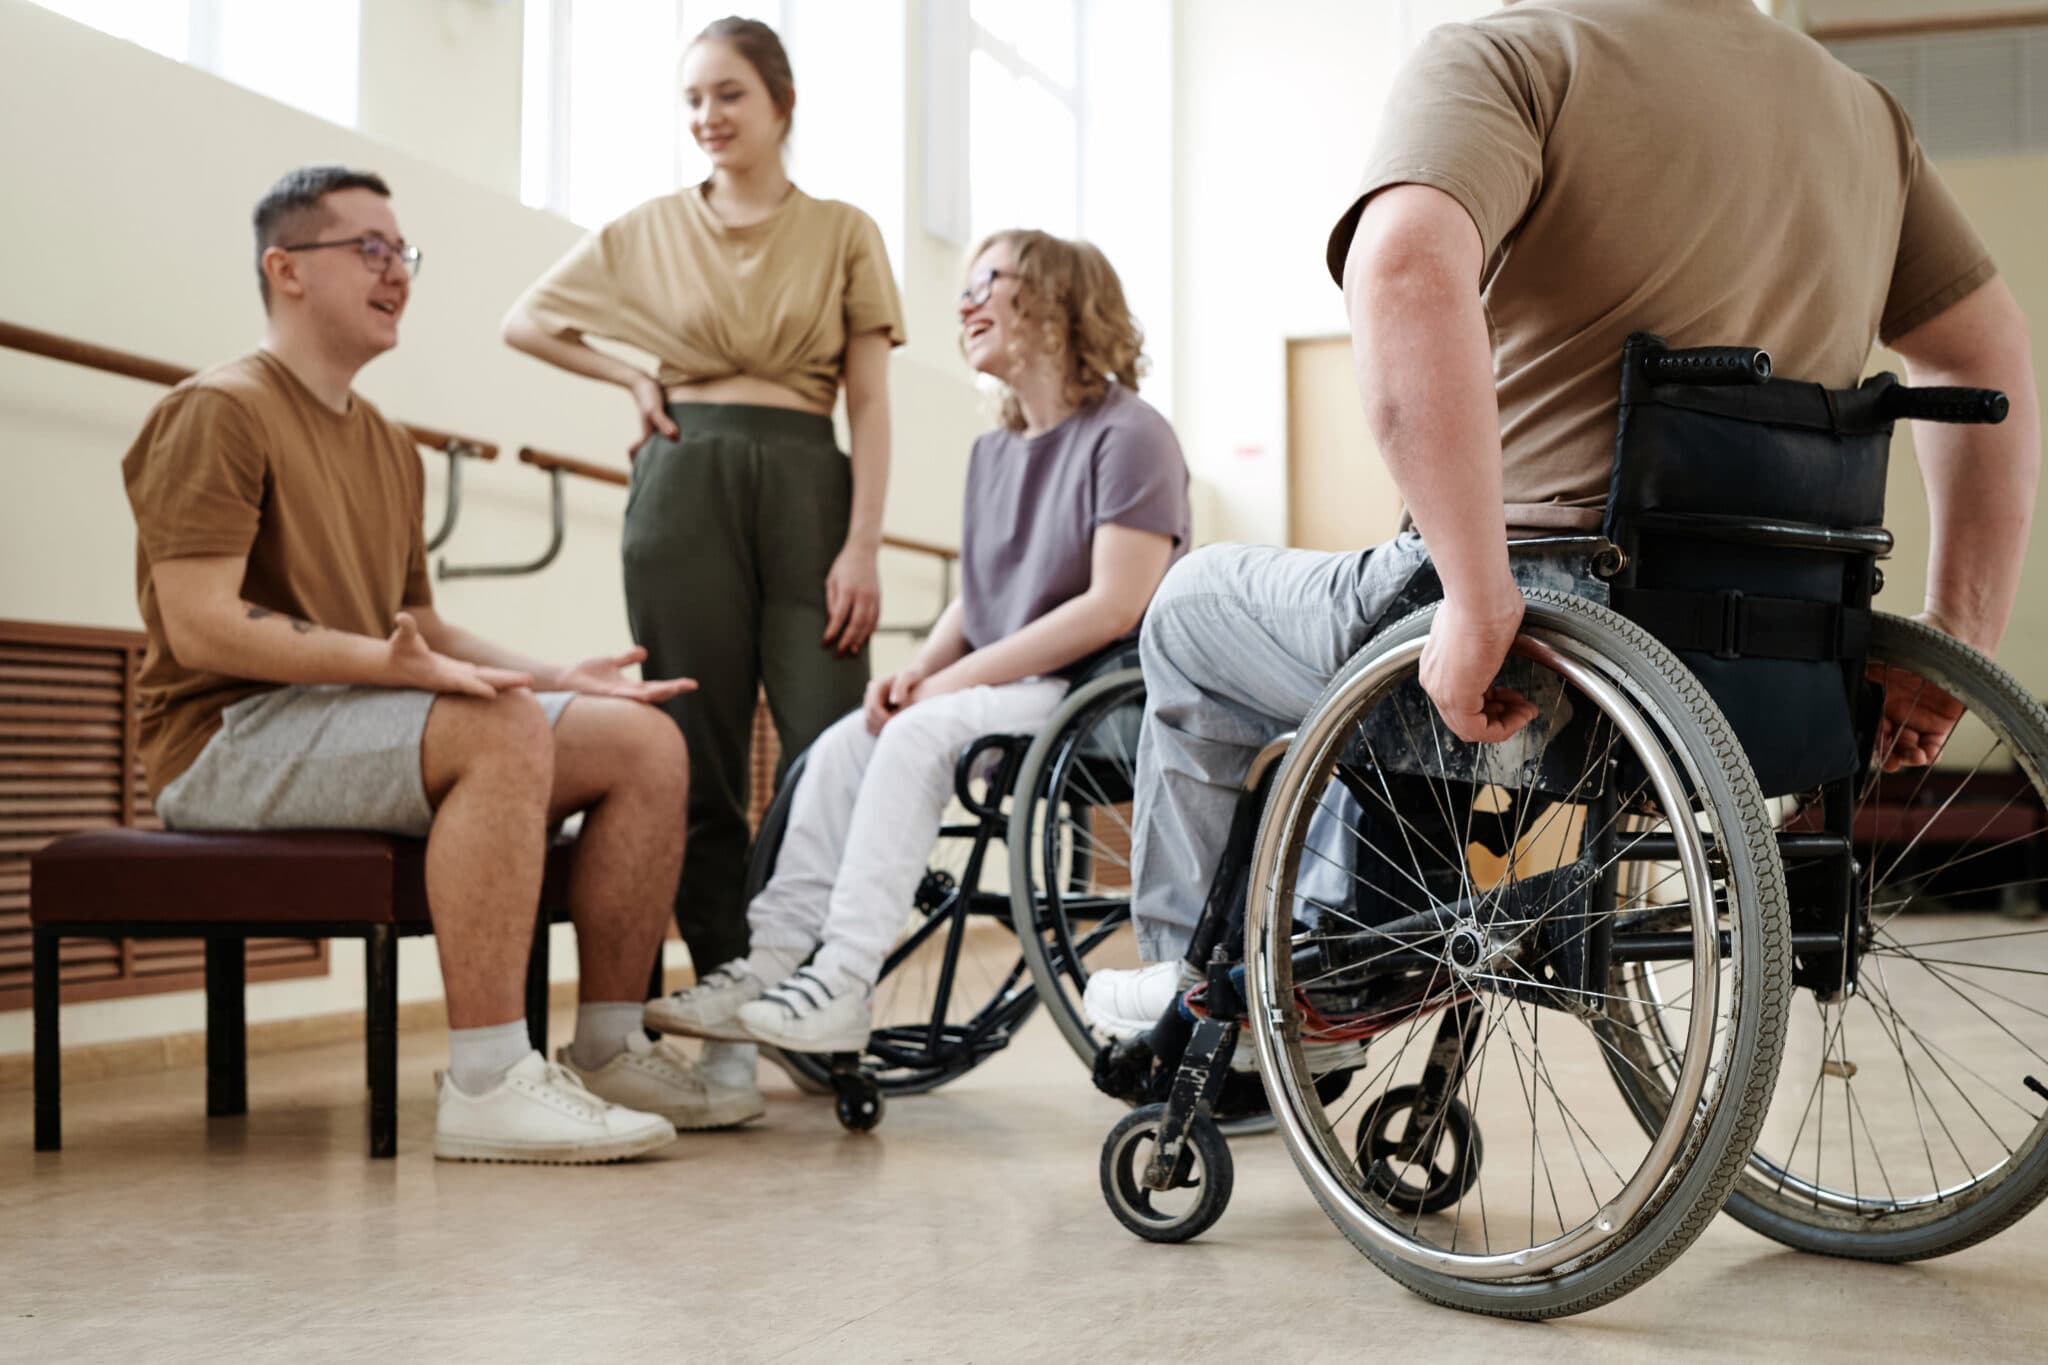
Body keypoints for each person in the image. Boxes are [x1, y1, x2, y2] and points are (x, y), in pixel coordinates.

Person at [1082, 0, 2041, 1036]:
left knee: (1188, 604)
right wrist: (1953, 638)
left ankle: (1188, 991)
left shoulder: (1518, 55)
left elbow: (1401, 266)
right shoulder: (1861, 115)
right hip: (1781, 643)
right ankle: (1329, 957)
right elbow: (1983, 362)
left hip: (1550, 606)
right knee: (1359, 660)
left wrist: (1472, 589)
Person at [122, 164, 735, 1164]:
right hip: (224, 741)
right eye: (367, 250)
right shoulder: (218, 410)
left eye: (401, 253)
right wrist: (402, 671)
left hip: (341, 718)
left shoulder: (388, 445)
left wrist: (554, 677)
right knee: (493, 730)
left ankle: (610, 1048)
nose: (395, 272)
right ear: (285, 269)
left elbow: (420, 626)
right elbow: (203, 629)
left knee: (639, 741)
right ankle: (489, 1082)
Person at [642, 230, 1189, 1054]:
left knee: (923, 729)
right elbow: (983, 593)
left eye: (988, 282)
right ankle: (776, 958)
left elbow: (1116, 604)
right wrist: (921, 669)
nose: (965, 303)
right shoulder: (995, 452)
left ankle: (844, 978)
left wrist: (952, 684)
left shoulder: (1131, 432)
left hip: (1097, 692)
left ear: (1056, 299)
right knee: (844, 742)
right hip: (1009, 688)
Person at [504, 17, 904, 1107]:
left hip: (808, 486)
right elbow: (526, 321)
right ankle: (727, 1005)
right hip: (683, 489)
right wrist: (634, 382)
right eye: (690, 100)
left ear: (780, 102)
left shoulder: (843, 232)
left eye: (727, 95)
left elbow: (867, 400)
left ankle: (811, 992)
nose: (707, 119)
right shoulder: (646, 229)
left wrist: (862, 540)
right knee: (694, 759)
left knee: (831, 751)